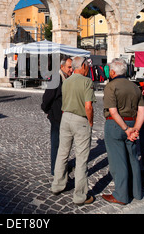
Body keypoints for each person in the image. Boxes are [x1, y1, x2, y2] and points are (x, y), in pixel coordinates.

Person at [51, 56, 96, 206]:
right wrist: (90, 121)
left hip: (66, 118)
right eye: (87, 65)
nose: (88, 68)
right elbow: (88, 106)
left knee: (62, 153)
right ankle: (80, 196)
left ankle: (57, 185)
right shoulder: (87, 82)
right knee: (82, 158)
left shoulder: (67, 81)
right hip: (80, 120)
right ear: (82, 66)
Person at [101, 58, 144, 205]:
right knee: (132, 158)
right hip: (132, 123)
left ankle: (121, 195)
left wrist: (126, 129)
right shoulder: (135, 87)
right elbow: (142, 110)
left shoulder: (111, 86)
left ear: (113, 72)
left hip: (116, 125)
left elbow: (113, 111)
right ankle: (137, 192)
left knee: (117, 161)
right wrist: (135, 129)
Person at [41, 56, 73, 175]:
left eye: (72, 67)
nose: (71, 69)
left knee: (63, 144)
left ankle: (62, 165)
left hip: (64, 117)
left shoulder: (66, 78)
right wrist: (47, 110)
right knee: (56, 144)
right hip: (56, 117)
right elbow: (47, 97)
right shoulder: (56, 78)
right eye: (69, 67)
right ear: (62, 66)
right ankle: (55, 169)